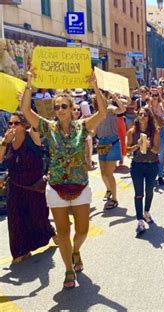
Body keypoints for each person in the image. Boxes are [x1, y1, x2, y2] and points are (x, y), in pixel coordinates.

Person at [20, 69, 107, 289]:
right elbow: (25, 110)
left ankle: (76, 250)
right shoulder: (48, 128)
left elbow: (103, 112)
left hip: (80, 185)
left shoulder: (82, 126)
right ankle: (68, 269)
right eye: (56, 107)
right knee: (63, 232)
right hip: (56, 186)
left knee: (83, 230)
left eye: (64, 106)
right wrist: (29, 84)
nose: (59, 110)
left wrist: (95, 87)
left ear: (72, 109)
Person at [0, 112, 55, 263]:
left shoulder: (32, 136)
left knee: (37, 216)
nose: (12, 126)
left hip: (33, 186)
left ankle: (49, 232)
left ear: (24, 125)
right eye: (10, 123)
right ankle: (19, 251)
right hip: (15, 186)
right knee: (15, 219)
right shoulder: (8, 141)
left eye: (16, 123)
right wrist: (4, 142)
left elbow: (37, 123)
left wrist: (25, 102)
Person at [127, 107, 160, 234]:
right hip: (137, 165)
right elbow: (127, 150)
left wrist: (149, 145)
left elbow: (157, 150)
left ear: (149, 117)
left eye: (145, 115)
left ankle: (146, 211)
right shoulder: (132, 131)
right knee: (138, 193)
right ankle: (140, 220)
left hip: (151, 165)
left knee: (149, 190)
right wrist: (138, 145)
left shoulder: (154, 131)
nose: (142, 117)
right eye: (140, 114)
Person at [95, 93, 125, 209]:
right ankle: (109, 190)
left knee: (109, 173)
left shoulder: (110, 108)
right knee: (103, 174)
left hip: (113, 143)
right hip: (101, 144)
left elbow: (122, 109)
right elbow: (93, 131)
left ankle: (114, 199)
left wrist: (115, 97)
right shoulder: (96, 113)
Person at [149, 86, 164, 186]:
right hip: (152, 132)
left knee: (161, 154)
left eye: (156, 95)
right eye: (153, 95)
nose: (155, 97)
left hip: (162, 131)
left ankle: (160, 176)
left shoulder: (161, 104)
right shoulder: (148, 106)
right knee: (152, 154)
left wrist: (160, 96)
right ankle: (152, 175)